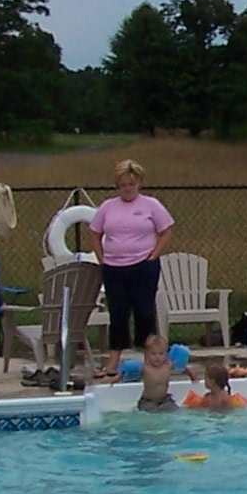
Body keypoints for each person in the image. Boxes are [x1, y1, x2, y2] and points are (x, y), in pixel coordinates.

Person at [89, 160, 176, 380]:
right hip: (114, 268)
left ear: (139, 183)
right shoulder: (107, 207)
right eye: (123, 184)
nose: (127, 188)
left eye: (131, 184)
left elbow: (166, 231)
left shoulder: (151, 205)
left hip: (143, 266)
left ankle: (151, 359)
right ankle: (113, 363)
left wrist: (152, 256)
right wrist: (102, 259)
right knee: (118, 315)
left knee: (144, 313)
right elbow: (95, 232)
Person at [127, 334, 199, 411]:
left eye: (161, 354)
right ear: (147, 354)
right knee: (150, 412)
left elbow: (181, 368)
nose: (157, 357)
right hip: (148, 401)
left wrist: (191, 373)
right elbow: (127, 373)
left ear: (166, 353)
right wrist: (116, 378)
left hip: (164, 399)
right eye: (153, 354)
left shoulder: (168, 364)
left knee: (175, 410)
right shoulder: (145, 367)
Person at [181, 360, 247, 410]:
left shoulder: (222, 399)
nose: (204, 381)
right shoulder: (210, 397)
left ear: (212, 381)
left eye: (206, 378)